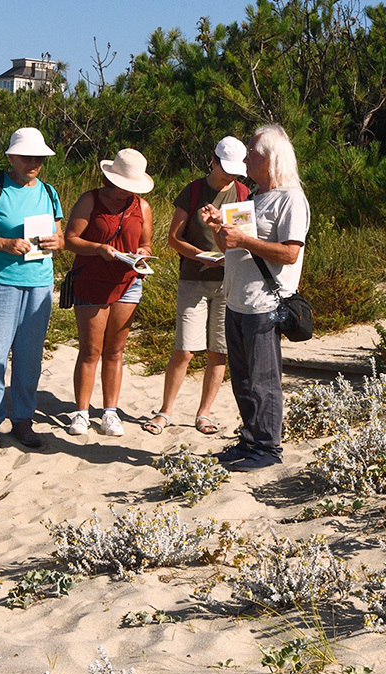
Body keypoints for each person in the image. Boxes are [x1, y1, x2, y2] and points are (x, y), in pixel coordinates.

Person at [201, 124, 310, 470]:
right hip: (237, 300)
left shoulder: (291, 199)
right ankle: (250, 439)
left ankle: (267, 446)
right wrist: (220, 227)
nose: (246, 158)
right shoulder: (252, 198)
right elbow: (230, 246)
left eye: (252, 153)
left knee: (264, 380)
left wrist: (245, 240)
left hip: (264, 304)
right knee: (244, 377)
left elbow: (291, 253)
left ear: (271, 159)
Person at [0, 127, 64, 449]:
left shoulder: (49, 192)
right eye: (26, 156)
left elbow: (60, 237)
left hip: (39, 282)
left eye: (38, 157)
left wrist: (55, 242)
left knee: (29, 356)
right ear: (11, 157)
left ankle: (23, 419)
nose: (33, 162)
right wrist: (5, 243)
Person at [143, 136, 250, 437]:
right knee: (185, 350)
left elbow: (242, 235)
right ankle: (166, 411)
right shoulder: (192, 191)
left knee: (220, 350)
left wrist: (221, 239)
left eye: (234, 171)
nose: (229, 176)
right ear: (213, 161)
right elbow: (174, 238)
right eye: (225, 168)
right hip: (193, 279)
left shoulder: (242, 193)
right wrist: (201, 256)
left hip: (229, 282)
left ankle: (204, 413)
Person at [63, 149, 153, 437]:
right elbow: (71, 241)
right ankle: (81, 412)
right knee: (91, 350)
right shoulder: (90, 200)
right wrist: (100, 250)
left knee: (115, 351)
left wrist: (142, 253)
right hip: (92, 280)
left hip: (128, 281)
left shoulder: (143, 207)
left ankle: (110, 412)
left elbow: (147, 244)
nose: (127, 192)